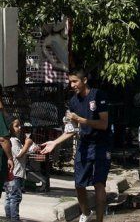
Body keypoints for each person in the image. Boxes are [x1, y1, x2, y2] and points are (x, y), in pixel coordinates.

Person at [41, 70, 111, 222]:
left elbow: (103, 124)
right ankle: (86, 213)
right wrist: (55, 142)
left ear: (84, 80)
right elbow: (71, 130)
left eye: (75, 81)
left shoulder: (98, 95)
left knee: (99, 184)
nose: (72, 85)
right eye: (70, 82)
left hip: (101, 145)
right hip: (84, 145)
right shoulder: (73, 102)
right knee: (79, 184)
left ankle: (99, 220)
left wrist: (80, 119)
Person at [5, 119, 34, 222]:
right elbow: (19, 154)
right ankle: (14, 219)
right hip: (15, 174)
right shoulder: (13, 141)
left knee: (9, 196)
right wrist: (27, 143)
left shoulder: (13, 140)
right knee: (15, 197)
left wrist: (30, 148)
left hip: (11, 173)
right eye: (17, 126)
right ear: (10, 128)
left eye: (20, 125)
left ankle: (9, 217)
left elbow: (21, 152)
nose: (20, 127)